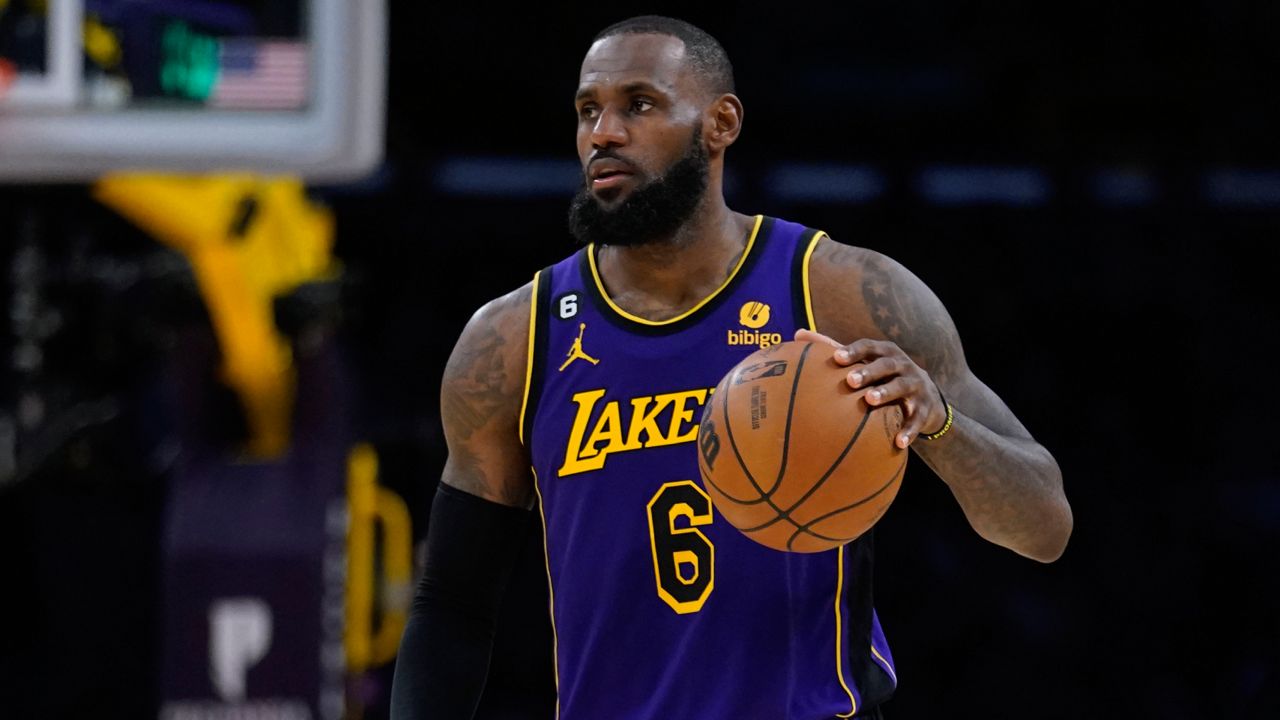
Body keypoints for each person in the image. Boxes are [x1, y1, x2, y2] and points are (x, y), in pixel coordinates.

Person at [391, 15, 1072, 720]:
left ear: (720, 123)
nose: (603, 133)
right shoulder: (512, 340)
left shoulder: (840, 294)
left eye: (639, 104)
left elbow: (1044, 527)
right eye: (588, 110)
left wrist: (940, 424)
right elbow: (452, 603)